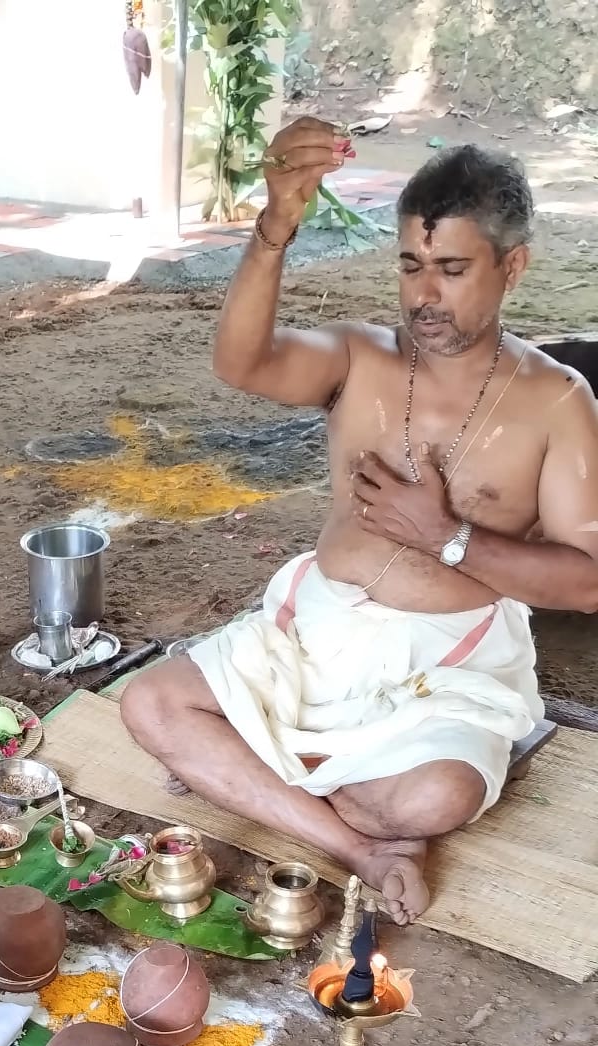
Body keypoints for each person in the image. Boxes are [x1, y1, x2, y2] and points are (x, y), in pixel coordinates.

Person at [121, 127, 598, 923]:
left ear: (511, 267)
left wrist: (447, 537)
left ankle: (257, 776)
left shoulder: (558, 403)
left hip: (445, 670)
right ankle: (360, 844)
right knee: (149, 706)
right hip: (313, 637)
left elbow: (588, 581)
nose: (423, 296)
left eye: (451, 270)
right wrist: (275, 224)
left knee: (437, 794)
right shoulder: (360, 358)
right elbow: (243, 363)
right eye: (410, 266)